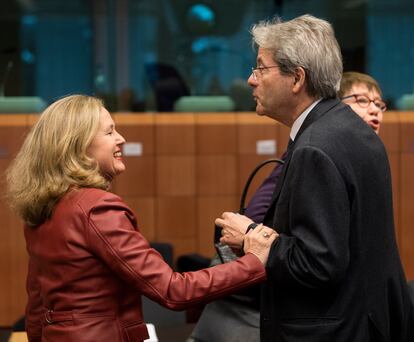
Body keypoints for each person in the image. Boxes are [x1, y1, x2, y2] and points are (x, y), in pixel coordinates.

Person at [5, 95, 278, 342]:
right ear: (77, 147)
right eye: (109, 132)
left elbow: (38, 307)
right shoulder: (97, 209)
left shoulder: (46, 207)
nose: (121, 139)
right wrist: (253, 261)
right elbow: (173, 290)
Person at [217, 14, 414, 341]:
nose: (251, 80)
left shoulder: (315, 148)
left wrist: (252, 236)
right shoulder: (351, 130)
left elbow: (319, 264)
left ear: (296, 79)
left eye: (260, 68)